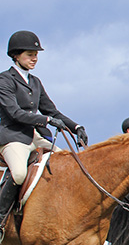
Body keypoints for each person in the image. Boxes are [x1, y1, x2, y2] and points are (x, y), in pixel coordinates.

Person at [0, 30, 88, 220]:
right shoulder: (4, 80)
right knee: (19, 174)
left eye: (36, 55)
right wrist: (46, 121)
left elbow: (52, 111)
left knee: (66, 164)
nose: (35, 59)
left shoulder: (35, 82)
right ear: (16, 55)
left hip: (35, 137)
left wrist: (76, 127)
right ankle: (1, 219)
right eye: (30, 54)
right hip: (13, 138)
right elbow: (14, 113)